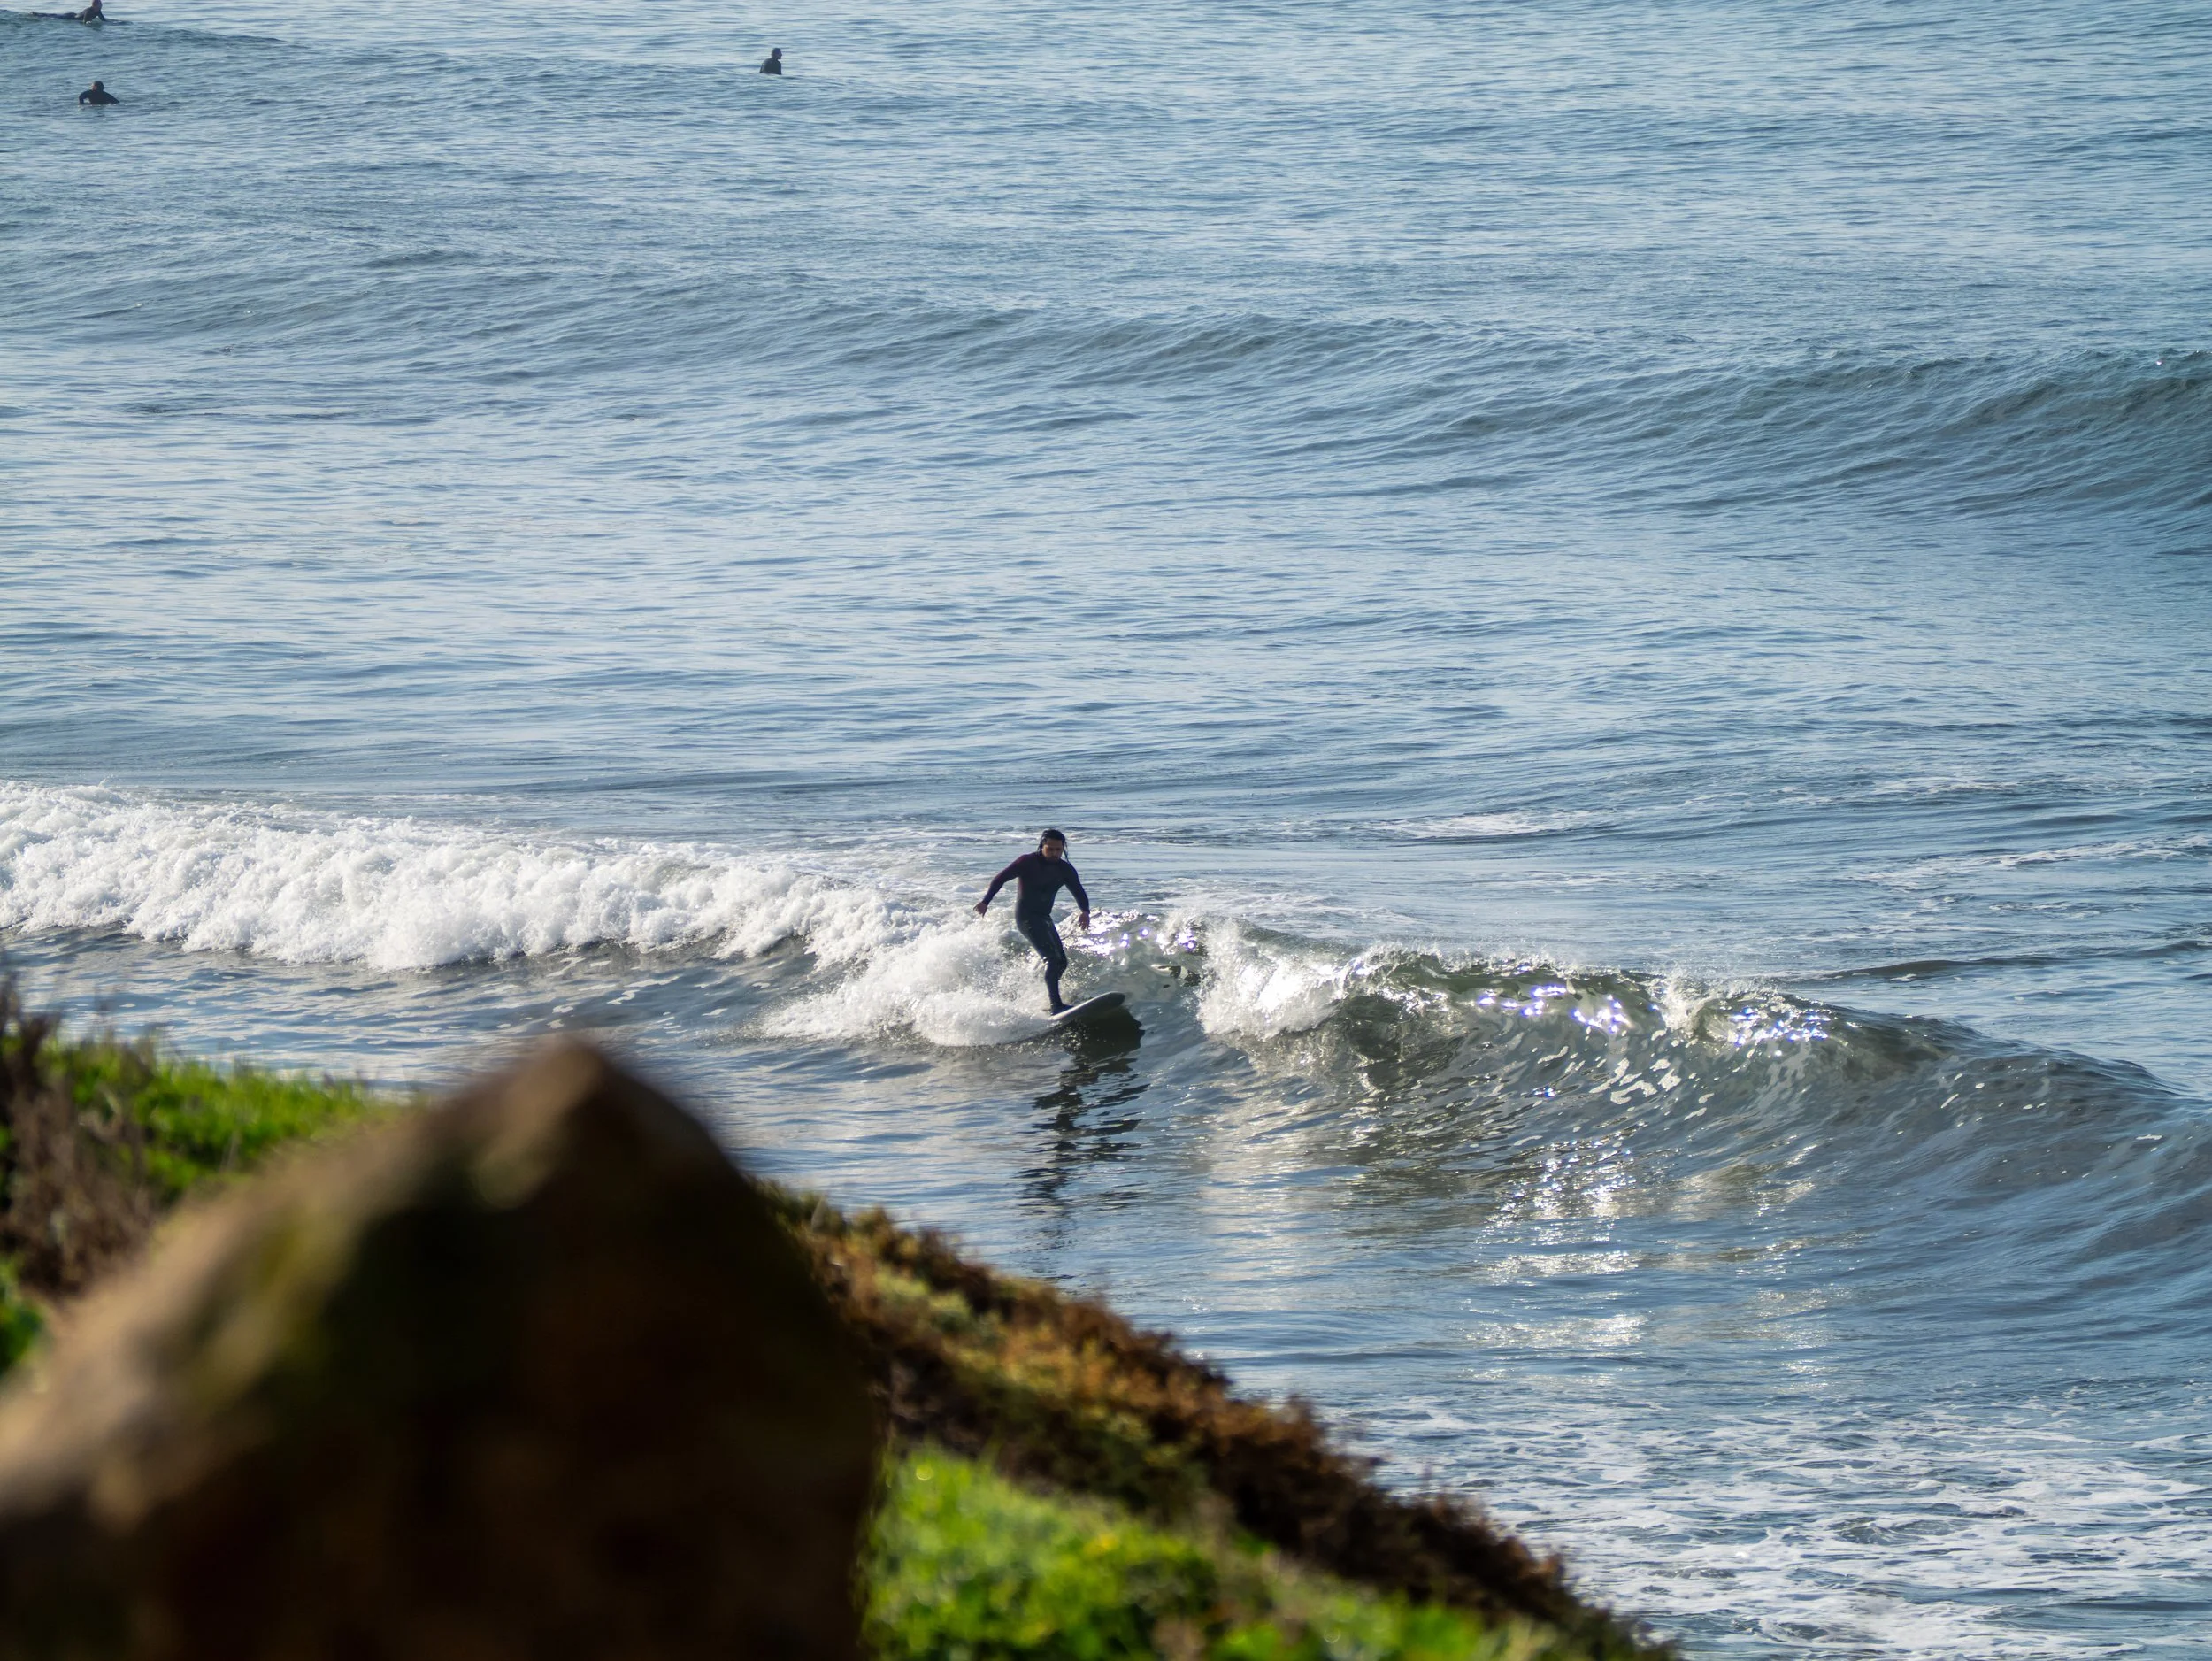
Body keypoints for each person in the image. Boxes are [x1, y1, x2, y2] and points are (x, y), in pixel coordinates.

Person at [975, 828, 1092, 1014]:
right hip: (1026, 917)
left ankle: (1048, 995)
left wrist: (1085, 911)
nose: (1054, 853)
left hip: (1044, 917)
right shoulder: (1027, 862)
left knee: (1061, 963)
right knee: (1053, 960)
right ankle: (1056, 1005)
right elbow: (1000, 878)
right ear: (1042, 846)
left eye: (1058, 850)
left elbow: (1078, 891)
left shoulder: (1065, 869)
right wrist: (985, 901)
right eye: (1050, 849)